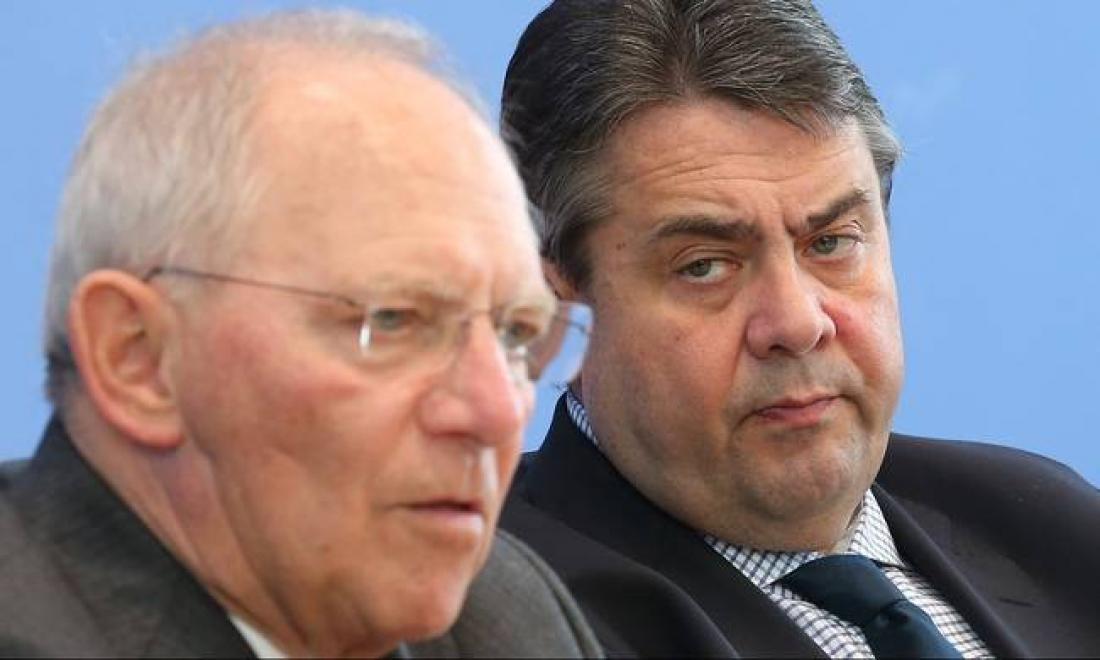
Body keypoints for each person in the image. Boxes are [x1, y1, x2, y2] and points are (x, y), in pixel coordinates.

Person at [498, 0, 1100, 657]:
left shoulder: (1055, 528)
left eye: (831, 242)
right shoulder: (487, 617)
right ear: (553, 310)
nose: (797, 322)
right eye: (705, 266)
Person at [0, 9, 601, 658]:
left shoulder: (505, 616)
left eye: (516, 333)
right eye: (393, 320)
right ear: (139, 358)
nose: (497, 412)